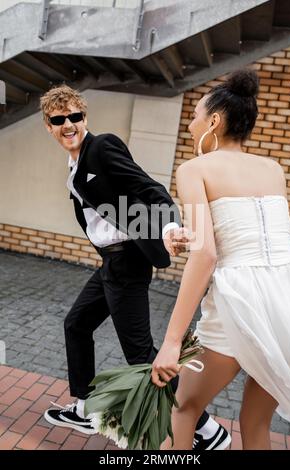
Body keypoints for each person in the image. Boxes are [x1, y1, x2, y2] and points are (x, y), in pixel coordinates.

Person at [39, 85, 230, 449]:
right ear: (48, 126)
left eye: (74, 117)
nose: (68, 125)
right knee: (76, 324)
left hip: (127, 261)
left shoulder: (101, 146)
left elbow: (148, 188)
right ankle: (84, 408)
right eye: (58, 119)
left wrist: (169, 228)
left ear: (84, 118)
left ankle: (207, 430)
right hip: (113, 261)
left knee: (141, 356)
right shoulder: (76, 161)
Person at [151, 68, 290, 450]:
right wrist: (192, 237)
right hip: (289, 300)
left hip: (240, 302)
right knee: (255, 425)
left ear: (214, 121)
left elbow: (207, 254)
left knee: (183, 407)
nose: (190, 124)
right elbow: (252, 233)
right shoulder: (273, 169)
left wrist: (171, 342)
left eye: (196, 116)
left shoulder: (194, 168)